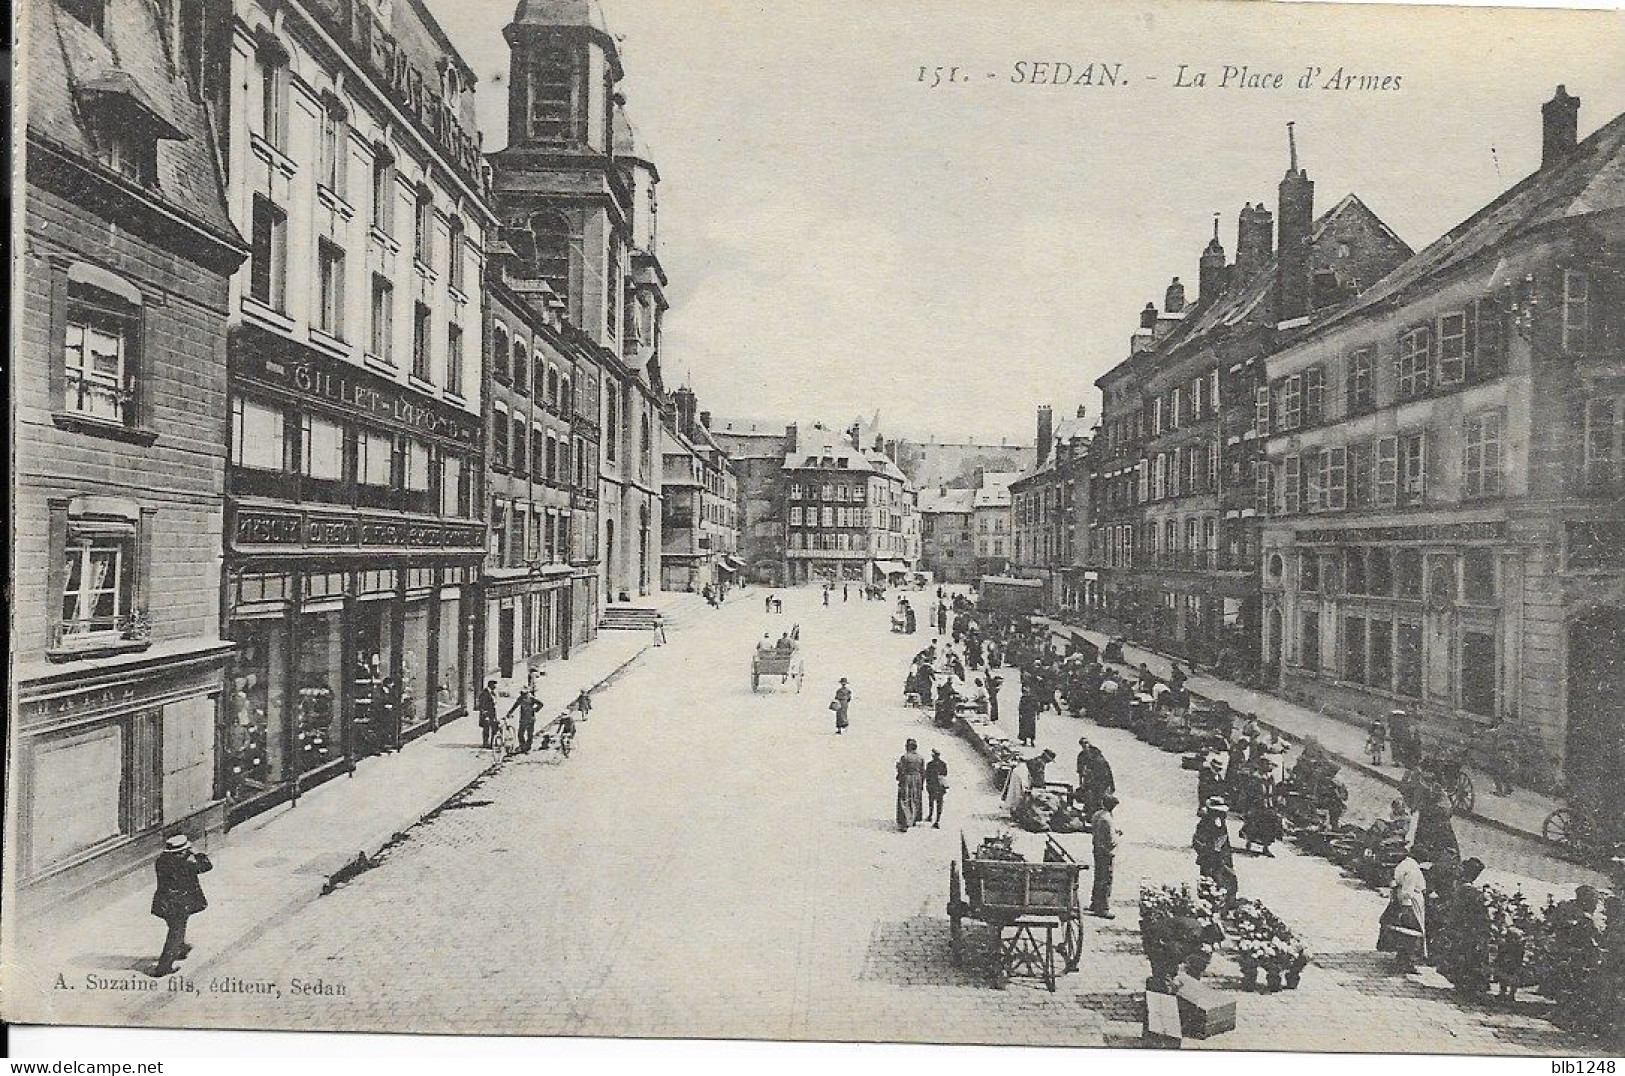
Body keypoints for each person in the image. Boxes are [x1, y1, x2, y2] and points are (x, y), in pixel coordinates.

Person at [151, 834, 212, 977]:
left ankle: (181, 948)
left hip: (164, 903)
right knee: (175, 932)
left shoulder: (161, 861)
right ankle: (163, 967)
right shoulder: (185, 864)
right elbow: (206, 866)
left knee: (176, 927)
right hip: (178, 904)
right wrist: (198, 853)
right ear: (182, 852)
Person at [1379, 854, 1430, 973]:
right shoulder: (1412, 869)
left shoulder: (1403, 865)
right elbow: (1408, 891)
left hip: (1401, 899)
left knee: (1402, 931)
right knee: (1411, 932)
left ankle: (1402, 958)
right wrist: (1406, 908)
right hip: (1411, 903)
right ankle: (1406, 961)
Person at [1193, 798, 1238, 905]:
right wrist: (1210, 849)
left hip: (1222, 858)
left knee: (1226, 880)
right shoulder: (1205, 824)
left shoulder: (1220, 823)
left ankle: (1224, 902)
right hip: (1211, 859)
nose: (1223, 815)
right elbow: (1197, 841)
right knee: (1212, 881)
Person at [1090, 794, 1121, 918]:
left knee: (1098, 877)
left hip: (1097, 849)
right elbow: (1111, 841)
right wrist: (1118, 836)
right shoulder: (1108, 819)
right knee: (1106, 880)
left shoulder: (1097, 815)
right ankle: (1103, 908)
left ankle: (1094, 903)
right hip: (1106, 852)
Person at [895, 739, 926, 831]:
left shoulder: (905, 757)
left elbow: (902, 770)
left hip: (907, 779)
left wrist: (899, 774)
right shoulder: (920, 758)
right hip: (917, 779)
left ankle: (905, 822)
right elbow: (923, 771)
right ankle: (914, 818)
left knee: (905, 799)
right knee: (915, 798)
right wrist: (922, 783)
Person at [506, 686, 541, 753]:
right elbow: (515, 706)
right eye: (521, 693)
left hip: (531, 719)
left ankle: (528, 747)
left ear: (527, 693)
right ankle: (523, 746)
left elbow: (541, 704)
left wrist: (535, 709)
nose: (522, 695)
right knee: (520, 734)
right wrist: (509, 713)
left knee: (530, 734)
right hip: (523, 719)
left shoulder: (532, 698)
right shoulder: (520, 699)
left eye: (524, 693)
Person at [925, 750, 949, 827]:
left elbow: (927, 775)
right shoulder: (943, 764)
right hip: (940, 787)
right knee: (939, 803)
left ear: (933, 756)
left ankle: (930, 816)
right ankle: (937, 820)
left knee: (931, 801)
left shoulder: (929, 764)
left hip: (932, 786)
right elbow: (945, 774)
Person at [477, 679, 499, 749]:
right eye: (494, 685)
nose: (495, 686)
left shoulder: (492, 693)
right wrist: (484, 714)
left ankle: (492, 742)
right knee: (486, 729)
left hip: (492, 714)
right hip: (487, 714)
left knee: (494, 727)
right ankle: (486, 743)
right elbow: (481, 705)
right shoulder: (484, 693)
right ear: (491, 685)